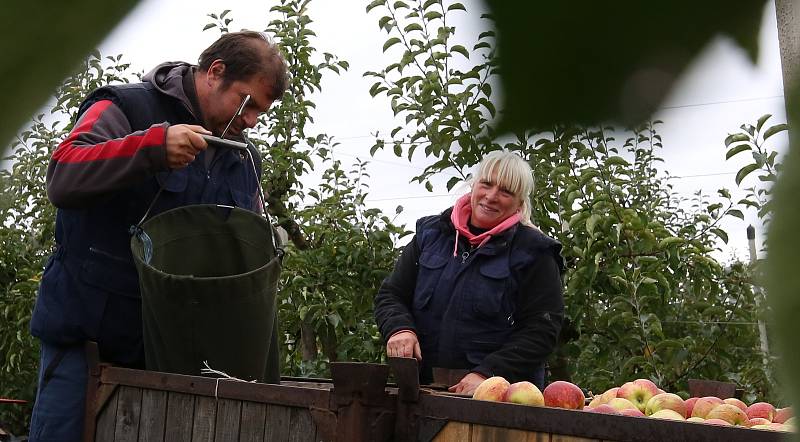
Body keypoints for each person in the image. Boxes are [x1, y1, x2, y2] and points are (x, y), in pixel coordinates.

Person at [28, 31, 288, 441]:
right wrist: (150, 149)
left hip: (174, 361)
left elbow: (243, 249)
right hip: (90, 342)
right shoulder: (126, 107)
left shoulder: (240, 157)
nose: (252, 120)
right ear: (215, 72)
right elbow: (64, 173)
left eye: (261, 112)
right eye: (247, 102)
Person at [374, 150, 565, 395]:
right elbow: (391, 295)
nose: (492, 196)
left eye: (506, 191)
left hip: (500, 399)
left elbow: (542, 330)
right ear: (473, 185)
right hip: (422, 390)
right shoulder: (431, 235)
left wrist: (489, 374)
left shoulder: (535, 252)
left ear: (520, 203)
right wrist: (400, 328)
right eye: (486, 184)